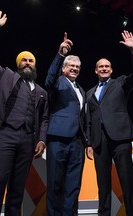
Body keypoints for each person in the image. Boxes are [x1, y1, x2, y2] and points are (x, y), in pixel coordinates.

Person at [0, 11, 49, 216]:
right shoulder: (6, 76)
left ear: (35, 65)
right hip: (4, 135)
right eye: (24, 60)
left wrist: (42, 140)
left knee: (18, 190)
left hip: (27, 140)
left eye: (31, 61)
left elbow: (44, 118)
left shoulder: (42, 92)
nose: (27, 63)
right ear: (18, 64)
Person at [86, 30, 133, 216]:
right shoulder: (89, 93)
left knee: (127, 183)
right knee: (103, 185)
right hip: (99, 141)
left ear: (111, 70)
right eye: (100, 66)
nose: (104, 68)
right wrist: (88, 142)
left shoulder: (121, 83)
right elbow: (88, 119)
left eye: (107, 66)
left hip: (120, 138)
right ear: (95, 70)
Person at [45, 32, 87, 215]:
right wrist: (60, 54)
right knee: (55, 183)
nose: (75, 68)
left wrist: (88, 142)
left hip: (77, 142)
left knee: (73, 185)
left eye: (78, 66)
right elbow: (49, 78)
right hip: (58, 139)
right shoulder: (57, 82)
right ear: (64, 68)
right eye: (71, 65)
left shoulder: (82, 90)